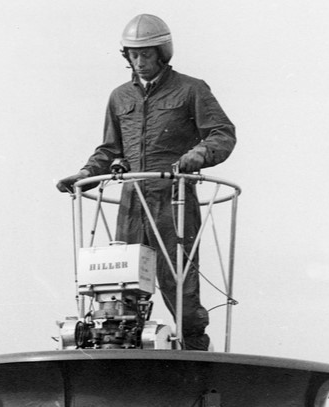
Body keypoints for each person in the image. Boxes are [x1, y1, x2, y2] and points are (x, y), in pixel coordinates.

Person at [56, 14, 237, 351]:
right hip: (131, 200)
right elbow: (110, 149)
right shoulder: (120, 97)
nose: (139, 62)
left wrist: (200, 153)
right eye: (133, 55)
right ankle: (119, 351)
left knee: (178, 280)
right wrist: (85, 175)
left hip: (173, 198)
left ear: (162, 53)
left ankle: (195, 354)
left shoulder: (191, 89)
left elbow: (222, 134)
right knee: (119, 280)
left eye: (146, 55)